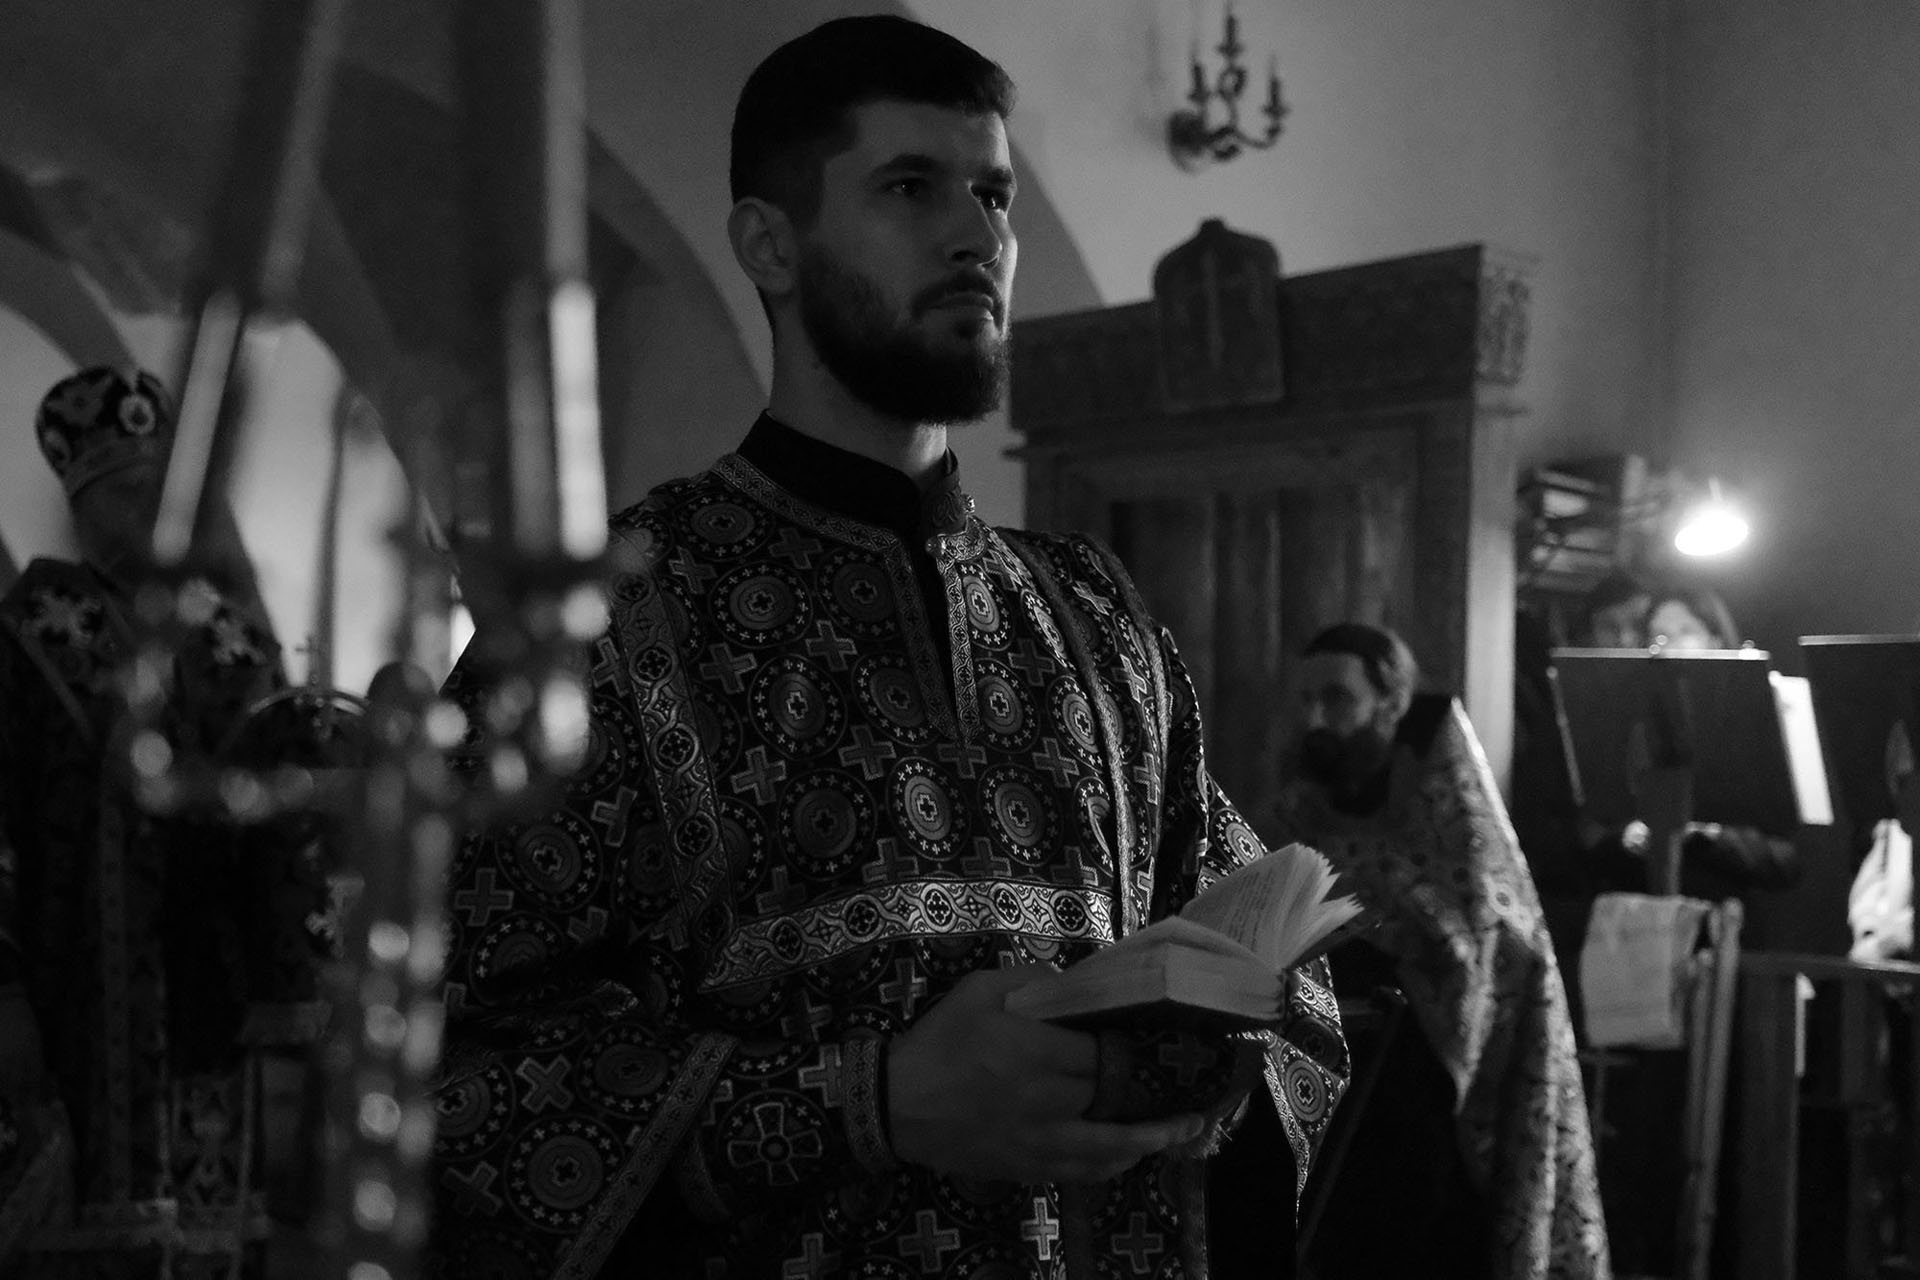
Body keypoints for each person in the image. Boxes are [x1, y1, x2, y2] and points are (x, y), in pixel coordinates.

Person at [425, 15, 1349, 1279]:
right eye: (911, 187)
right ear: (770, 243)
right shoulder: (604, 620)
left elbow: (1279, 995)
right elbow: (457, 1070)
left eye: (994, 194)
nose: (977, 236)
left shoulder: (1095, 614)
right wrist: (873, 1098)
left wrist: (1196, 1072)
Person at [0, 365, 328, 1277]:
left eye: (162, 490)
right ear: (80, 507)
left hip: (206, 1002)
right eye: (126, 492)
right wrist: (5, 990)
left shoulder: (233, 642)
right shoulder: (28, 634)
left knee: (211, 1238)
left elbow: (285, 822)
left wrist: (293, 987)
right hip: (74, 1001)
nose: (152, 514)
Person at [1263, 623, 1610, 1280]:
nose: (1315, 719)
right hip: (1327, 1074)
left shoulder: (1450, 807)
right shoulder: (1298, 809)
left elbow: (1484, 932)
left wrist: (1383, 924)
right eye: (1305, 699)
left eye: (1337, 698)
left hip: (1437, 1082)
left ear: (1391, 702)